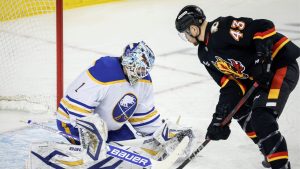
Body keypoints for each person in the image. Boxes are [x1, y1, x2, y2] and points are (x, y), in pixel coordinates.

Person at [28, 41, 193, 168]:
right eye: (139, 68)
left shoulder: (144, 82)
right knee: (99, 159)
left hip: (111, 128)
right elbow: (74, 107)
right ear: (129, 61)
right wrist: (92, 132)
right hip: (73, 123)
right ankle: (53, 158)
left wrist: (164, 133)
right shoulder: (105, 71)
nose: (142, 73)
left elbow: (144, 119)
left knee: (134, 154)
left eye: (145, 70)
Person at [175, 5, 299, 169]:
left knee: (261, 117)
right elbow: (231, 85)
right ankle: (268, 147)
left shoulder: (221, 29)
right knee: (240, 111)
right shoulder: (204, 54)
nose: (187, 37)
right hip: (258, 78)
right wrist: (220, 118)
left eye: (186, 33)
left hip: (279, 65)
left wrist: (262, 59)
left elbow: (263, 26)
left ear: (193, 28)